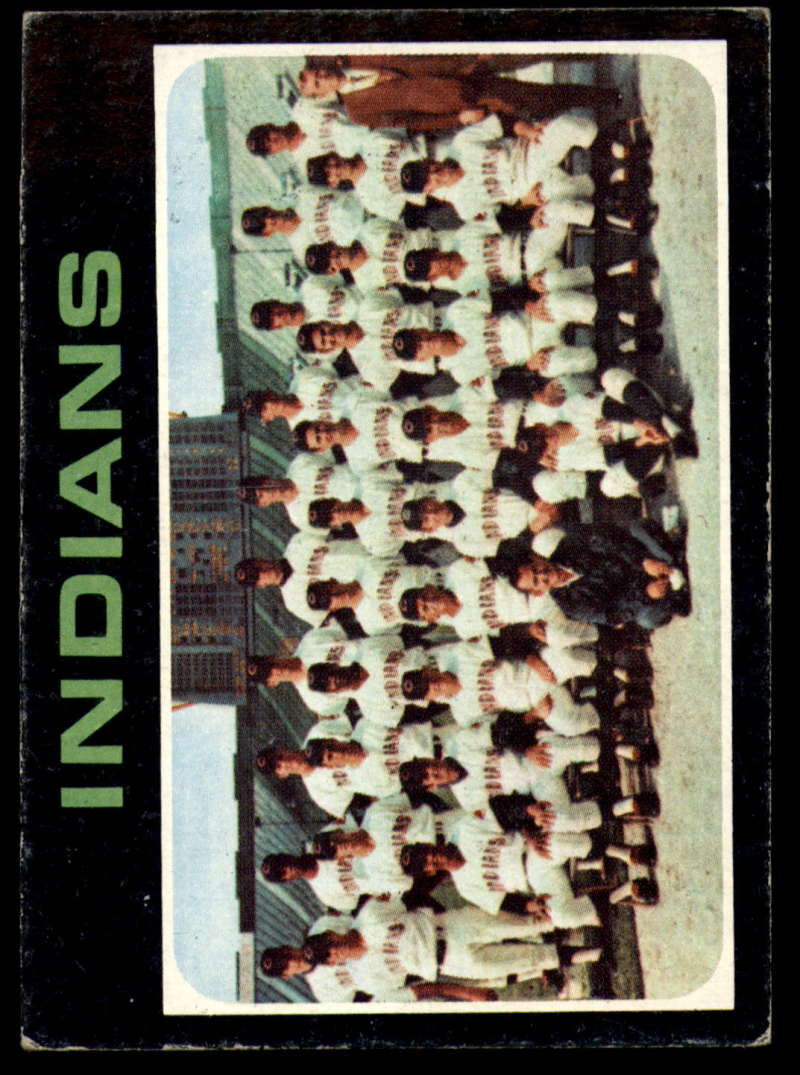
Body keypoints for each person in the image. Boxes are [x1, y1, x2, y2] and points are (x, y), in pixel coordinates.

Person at [294, 57, 621, 131]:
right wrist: (457, 118)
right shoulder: (358, 112)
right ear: (322, 96)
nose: (323, 77)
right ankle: (609, 97)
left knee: (530, 49)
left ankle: (598, 44)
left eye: (317, 73)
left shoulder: (356, 55)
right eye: (317, 84)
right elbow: (414, 123)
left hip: (459, 59)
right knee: (534, 99)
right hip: (457, 95)